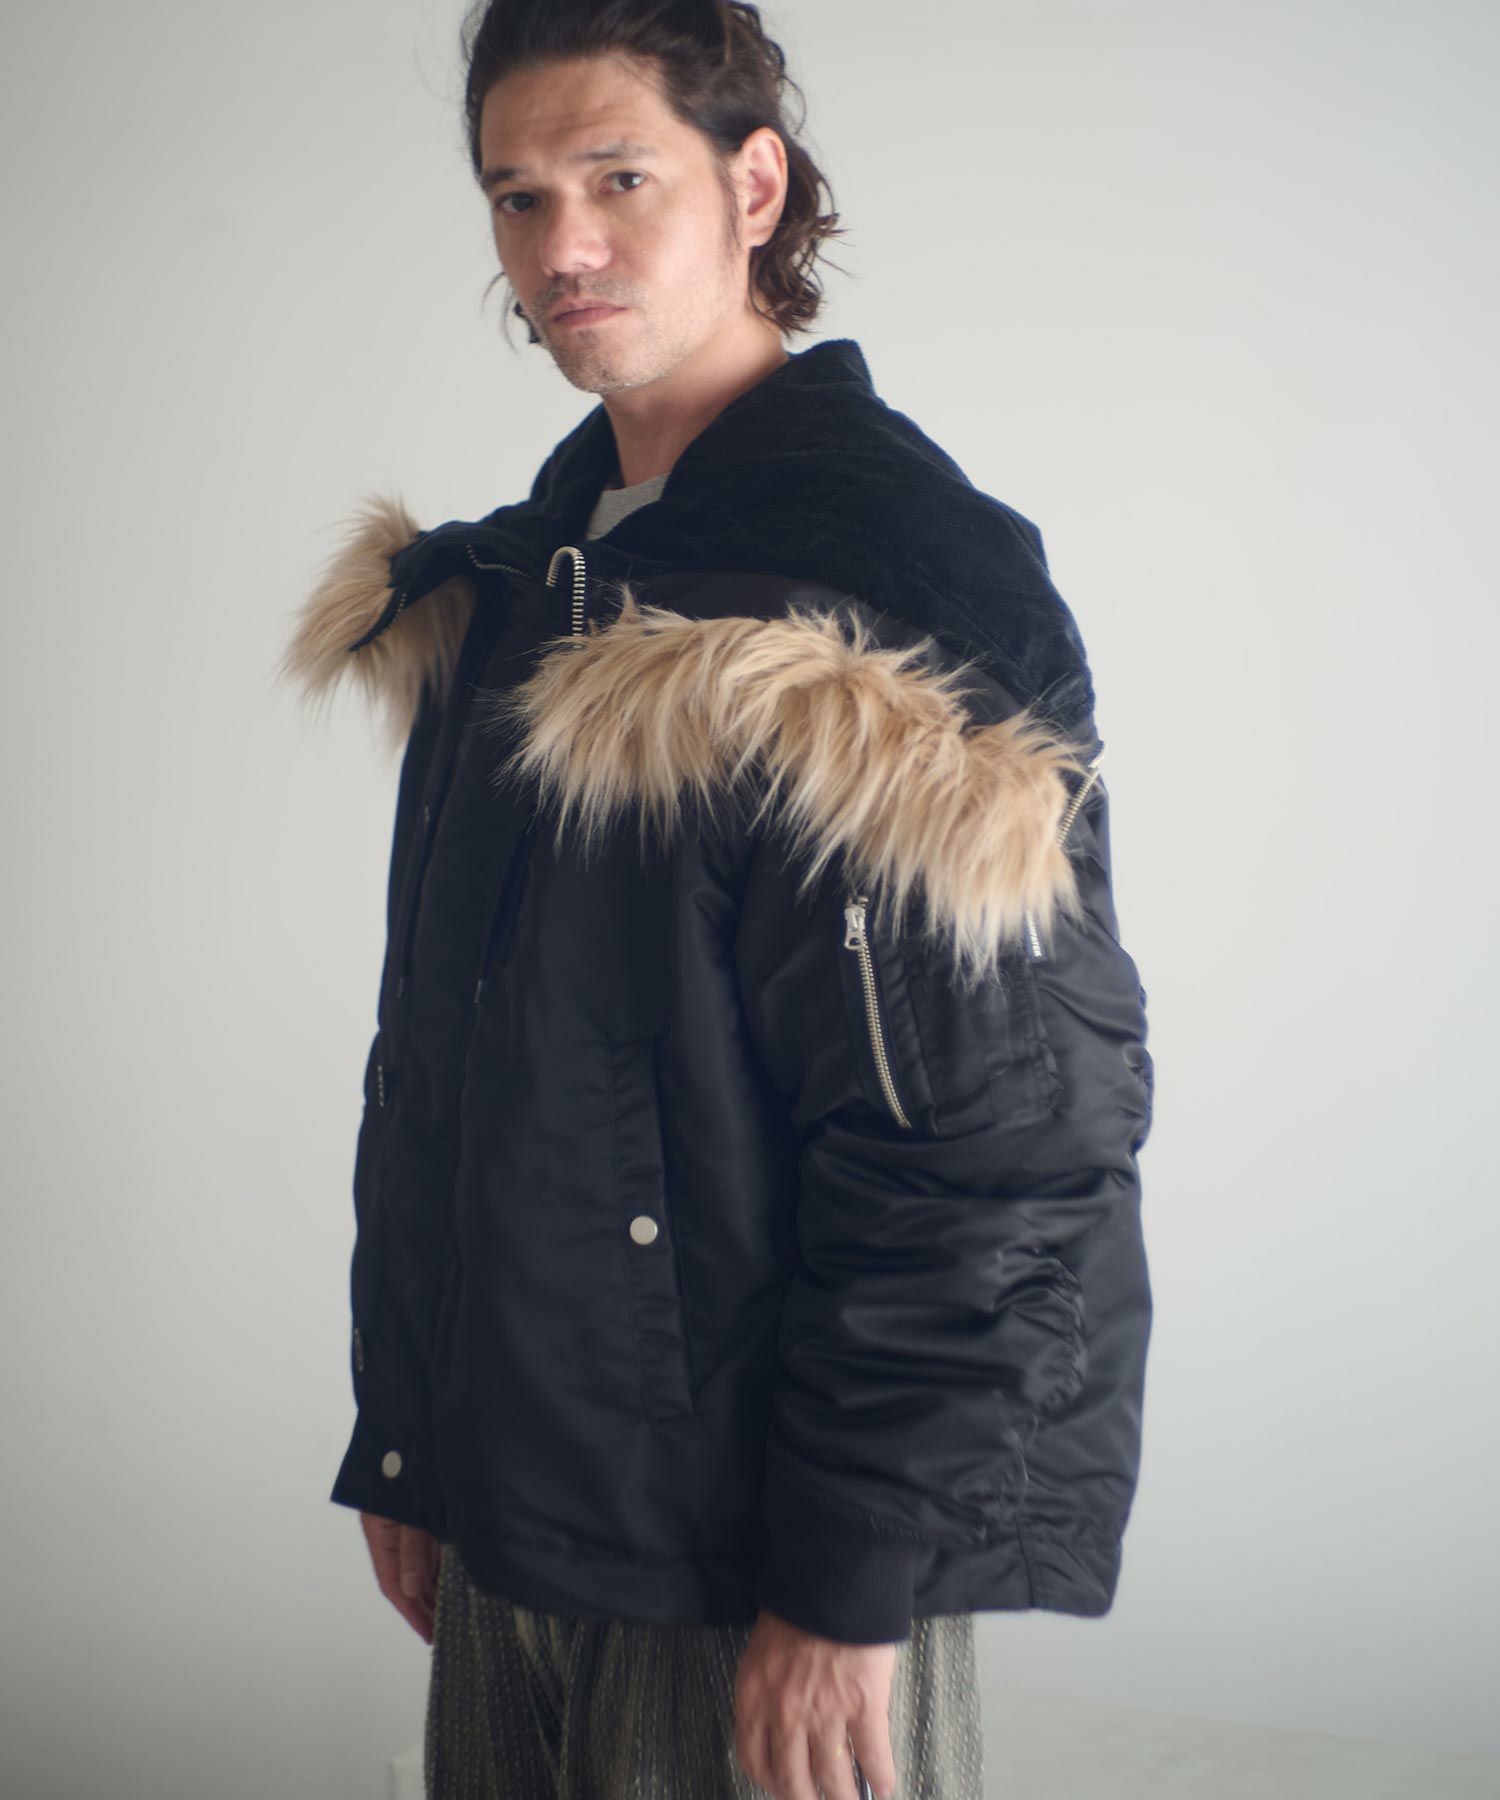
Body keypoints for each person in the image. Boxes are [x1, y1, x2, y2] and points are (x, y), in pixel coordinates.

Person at [278, 4, 1154, 1796]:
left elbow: (994, 1133)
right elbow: (453, 1074)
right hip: (525, 1500)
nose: (561, 248)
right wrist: (416, 1432)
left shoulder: (886, 577)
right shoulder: (527, 582)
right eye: (518, 197)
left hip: (767, 1548)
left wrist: (851, 1576)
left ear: (755, 186)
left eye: (619, 179)